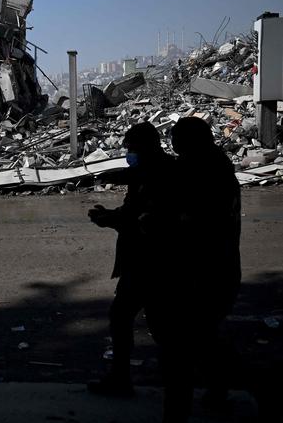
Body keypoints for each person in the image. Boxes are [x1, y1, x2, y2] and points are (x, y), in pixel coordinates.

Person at [145, 117, 241, 422]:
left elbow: (189, 221)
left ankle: (178, 414)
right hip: (218, 269)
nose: (173, 145)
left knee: (180, 351)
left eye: (177, 139)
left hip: (198, 274)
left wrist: (152, 223)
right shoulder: (217, 165)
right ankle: (217, 390)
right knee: (205, 338)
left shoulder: (201, 172)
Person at [87, 122, 176, 397]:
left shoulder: (159, 175)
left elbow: (143, 219)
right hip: (145, 260)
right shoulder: (147, 172)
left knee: (131, 318)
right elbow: (131, 212)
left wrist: (109, 219)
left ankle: (126, 380)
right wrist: (110, 217)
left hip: (151, 261)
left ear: (146, 147)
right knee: (158, 324)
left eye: (132, 148)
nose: (129, 154)